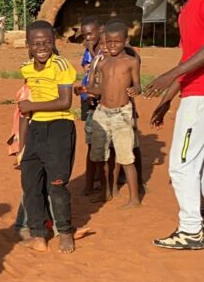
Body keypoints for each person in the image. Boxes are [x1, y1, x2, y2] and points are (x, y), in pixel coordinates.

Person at [146, 0, 204, 250]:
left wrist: (169, 76)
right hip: (193, 94)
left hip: (200, 101)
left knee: (182, 165)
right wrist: (168, 98)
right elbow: (191, 59)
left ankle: (192, 230)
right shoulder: (186, 9)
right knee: (199, 167)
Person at [18, 20, 78, 254]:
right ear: (28, 45)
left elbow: (65, 101)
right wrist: (21, 144)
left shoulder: (62, 65)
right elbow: (24, 108)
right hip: (35, 130)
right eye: (36, 43)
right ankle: (38, 233)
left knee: (57, 185)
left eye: (47, 42)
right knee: (31, 185)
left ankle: (65, 231)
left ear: (53, 42)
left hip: (59, 128)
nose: (42, 47)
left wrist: (31, 105)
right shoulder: (26, 68)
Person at [85, 20, 142, 208]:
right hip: (102, 112)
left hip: (122, 114)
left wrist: (135, 90)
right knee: (99, 156)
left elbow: (137, 85)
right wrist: (88, 90)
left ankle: (134, 198)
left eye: (117, 42)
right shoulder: (103, 64)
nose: (112, 45)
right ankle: (105, 191)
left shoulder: (131, 62)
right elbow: (102, 88)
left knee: (126, 157)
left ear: (126, 40)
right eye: (108, 42)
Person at [77, 16, 102, 194]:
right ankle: (89, 182)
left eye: (90, 34)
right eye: (85, 35)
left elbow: (102, 66)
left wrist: (93, 51)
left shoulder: (106, 49)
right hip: (89, 99)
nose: (88, 38)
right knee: (91, 143)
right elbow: (88, 69)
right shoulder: (88, 51)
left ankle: (104, 180)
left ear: (100, 30)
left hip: (105, 99)